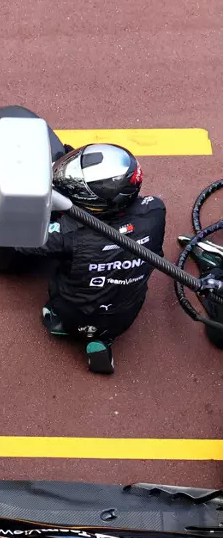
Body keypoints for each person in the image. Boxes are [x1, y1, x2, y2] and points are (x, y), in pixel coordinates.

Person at [27, 143, 166, 375]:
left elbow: (22, 244)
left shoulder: (67, 232)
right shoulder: (155, 211)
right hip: (126, 316)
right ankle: (104, 339)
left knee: (57, 293)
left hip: (74, 312)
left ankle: (63, 325)